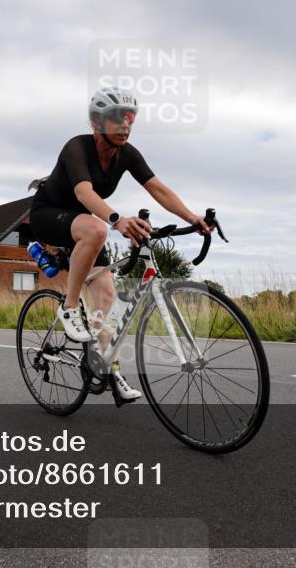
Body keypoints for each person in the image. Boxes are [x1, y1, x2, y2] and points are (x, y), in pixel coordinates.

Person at [28, 87, 214, 403]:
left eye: (130, 118)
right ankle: (69, 307)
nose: (125, 124)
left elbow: (158, 189)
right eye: (116, 118)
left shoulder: (127, 154)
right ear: (96, 122)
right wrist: (118, 220)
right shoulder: (77, 147)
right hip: (49, 215)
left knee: (106, 298)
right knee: (96, 228)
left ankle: (110, 369)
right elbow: (84, 193)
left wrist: (192, 217)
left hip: (84, 225)